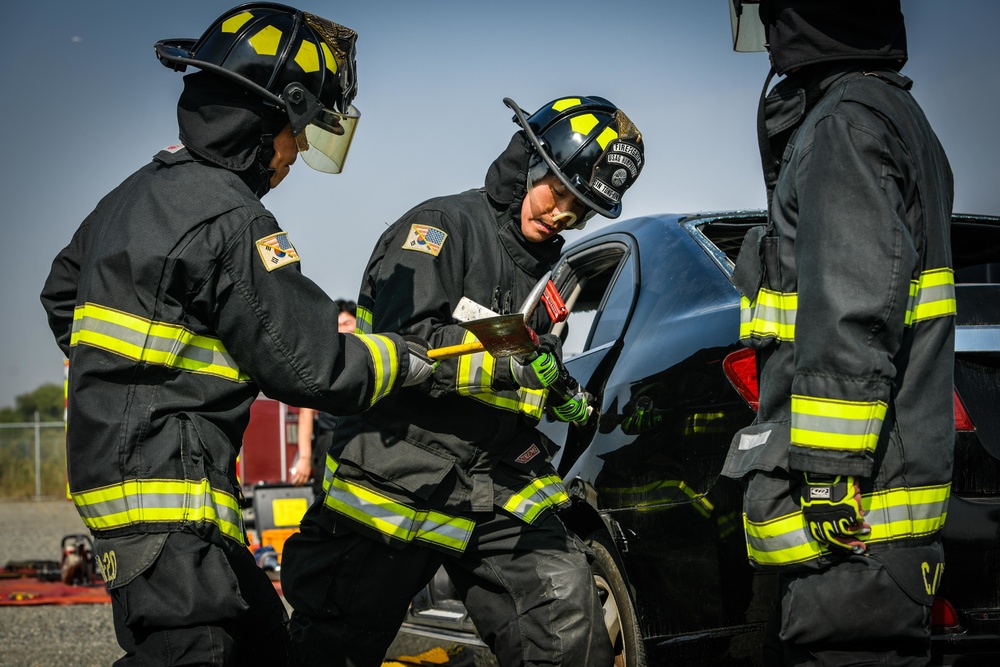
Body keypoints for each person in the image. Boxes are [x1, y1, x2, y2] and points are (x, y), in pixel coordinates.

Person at [38, 4, 431, 665]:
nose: (300, 149)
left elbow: (61, 293)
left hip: (137, 497)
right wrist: (411, 360)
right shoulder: (234, 219)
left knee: (262, 645)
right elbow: (312, 366)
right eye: (300, 130)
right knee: (198, 649)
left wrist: (131, 381)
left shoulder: (135, 195)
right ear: (270, 115)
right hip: (172, 500)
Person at [280, 95, 645, 667]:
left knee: (566, 615)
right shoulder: (439, 230)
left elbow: (528, 359)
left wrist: (559, 387)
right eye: (559, 191)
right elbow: (405, 347)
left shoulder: (550, 273)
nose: (564, 215)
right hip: (399, 475)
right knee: (334, 645)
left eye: (582, 208)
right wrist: (507, 364)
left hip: (497, 480)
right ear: (529, 160)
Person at [723, 1, 955, 665]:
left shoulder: (845, 122)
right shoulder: (885, 115)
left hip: (854, 527)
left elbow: (853, 306)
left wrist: (827, 477)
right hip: (876, 532)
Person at [292, 300, 362, 497]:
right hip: (329, 440)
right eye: (337, 325)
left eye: (347, 322)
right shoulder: (324, 363)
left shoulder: (373, 360)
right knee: (325, 499)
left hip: (363, 438)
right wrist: (305, 458)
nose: (342, 329)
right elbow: (306, 413)